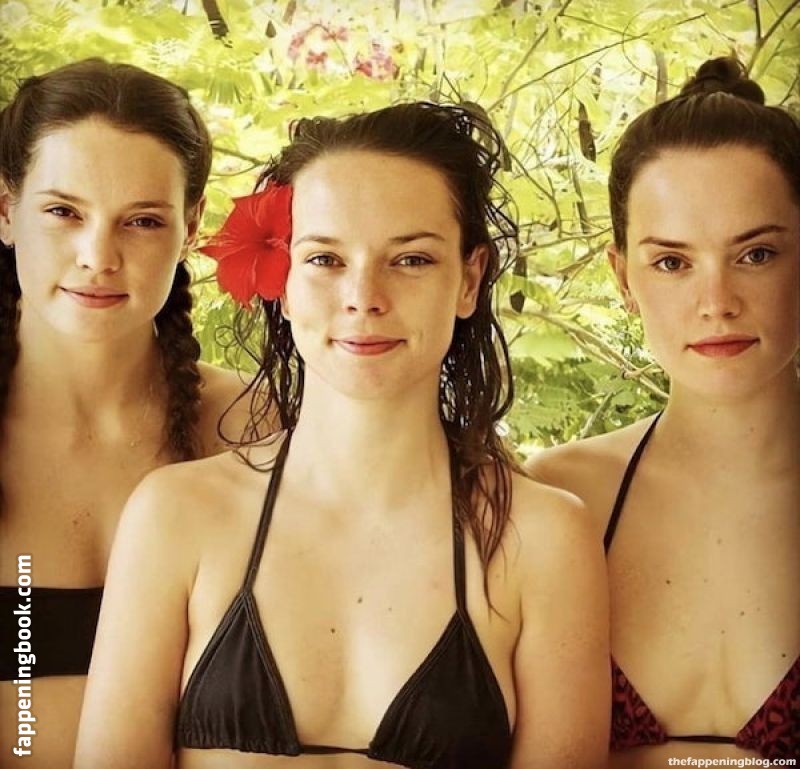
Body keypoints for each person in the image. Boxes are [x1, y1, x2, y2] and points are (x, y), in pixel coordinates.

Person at [74, 102, 609, 769]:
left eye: (411, 259)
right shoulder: (177, 515)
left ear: (469, 279)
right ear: (282, 278)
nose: (363, 296)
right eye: (325, 258)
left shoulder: (544, 538)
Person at [526, 57, 800, 765]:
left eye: (756, 253)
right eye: (673, 263)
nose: (717, 302)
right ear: (623, 277)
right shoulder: (556, 496)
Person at [0, 58, 248, 768]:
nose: (98, 256)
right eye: (63, 212)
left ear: (191, 227)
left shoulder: (261, 429)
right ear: (6, 210)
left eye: (142, 221)